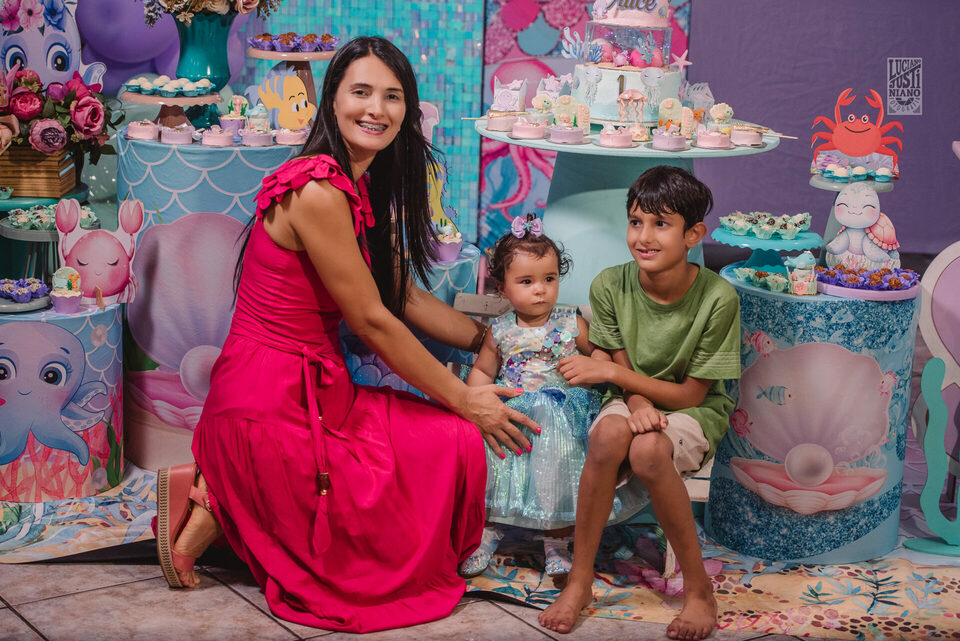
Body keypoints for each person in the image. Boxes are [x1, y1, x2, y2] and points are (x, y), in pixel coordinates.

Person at [154, 36, 541, 633]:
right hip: (272, 398)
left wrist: (492, 342)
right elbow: (372, 320)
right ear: (331, 99)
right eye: (361, 92)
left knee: (443, 442)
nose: (376, 109)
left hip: (318, 388)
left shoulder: (357, 182)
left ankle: (223, 491)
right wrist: (467, 399)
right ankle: (218, 491)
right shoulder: (317, 189)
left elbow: (403, 294)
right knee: (445, 446)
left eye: (392, 96)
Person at [539, 166, 741, 640]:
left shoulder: (718, 298)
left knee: (649, 450)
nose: (644, 237)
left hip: (692, 410)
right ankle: (581, 581)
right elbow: (624, 369)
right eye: (636, 222)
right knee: (609, 435)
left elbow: (692, 394)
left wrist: (613, 375)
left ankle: (699, 591)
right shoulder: (611, 285)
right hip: (630, 397)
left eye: (661, 224)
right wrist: (634, 401)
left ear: (693, 234)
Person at [459, 217, 648, 581]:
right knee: (494, 465)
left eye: (549, 279)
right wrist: (476, 396)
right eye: (526, 282)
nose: (541, 290)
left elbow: (600, 357)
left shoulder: (570, 322)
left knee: (559, 471)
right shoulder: (500, 330)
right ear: (502, 287)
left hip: (561, 416)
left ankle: (557, 542)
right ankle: (487, 534)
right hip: (513, 413)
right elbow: (483, 371)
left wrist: (592, 365)